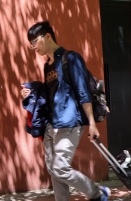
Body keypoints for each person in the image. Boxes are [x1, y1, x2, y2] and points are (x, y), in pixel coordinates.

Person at [21, 21, 110, 201]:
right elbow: (49, 93)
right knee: (55, 171)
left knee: (60, 167)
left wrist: (92, 123)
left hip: (70, 123)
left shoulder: (71, 58)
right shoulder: (48, 66)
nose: (33, 47)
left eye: (35, 42)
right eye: (31, 44)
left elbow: (83, 92)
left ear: (48, 36)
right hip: (51, 125)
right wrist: (30, 93)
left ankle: (97, 192)